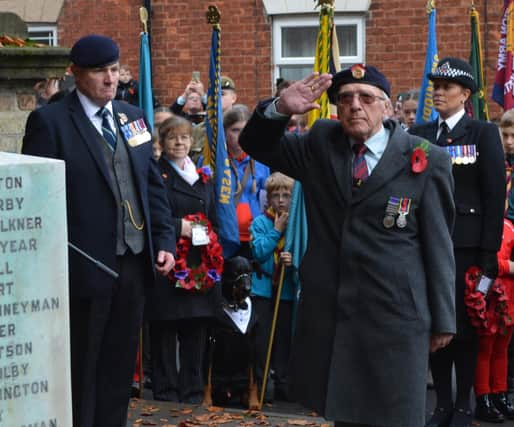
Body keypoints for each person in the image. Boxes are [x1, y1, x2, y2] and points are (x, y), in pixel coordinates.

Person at [239, 64, 456, 427]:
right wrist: (279, 108)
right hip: (337, 315)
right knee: (345, 415)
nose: (355, 105)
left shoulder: (426, 158)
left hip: (396, 315)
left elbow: (438, 244)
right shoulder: (322, 143)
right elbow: (255, 144)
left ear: (386, 107)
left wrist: (443, 319)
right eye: (345, 99)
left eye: (366, 97)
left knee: (395, 416)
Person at [22, 34, 176, 427]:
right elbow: (37, 200)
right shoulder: (50, 121)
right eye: (98, 72)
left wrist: (163, 241)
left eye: (113, 70)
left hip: (133, 265)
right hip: (81, 270)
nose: (110, 80)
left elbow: (151, 186)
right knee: (82, 370)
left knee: (119, 368)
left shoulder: (133, 117)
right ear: (75, 74)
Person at [409, 57, 506, 427]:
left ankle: (464, 403)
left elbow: (493, 195)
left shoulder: (481, 133)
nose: (438, 92)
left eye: (447, 87)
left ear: (465, 94)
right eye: (435, 86)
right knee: (435, 323)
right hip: (426, 246)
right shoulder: (419, 134)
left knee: (465, 328)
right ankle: (443, 403)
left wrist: (487, 255)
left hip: (466, 249)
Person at [146, 115, 219, 404]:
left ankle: (192, 392)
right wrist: (180, 227)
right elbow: (152, 213)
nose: (180, 142)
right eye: (173, 137)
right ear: (162, 143)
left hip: (198, 262)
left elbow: (211, 215)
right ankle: (165, 393)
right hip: (169, 260)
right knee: (165, 328)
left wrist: (208, 236)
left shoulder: (201, 176)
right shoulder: (156, 173)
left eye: (185, 137)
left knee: (195, 329)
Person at [250, 172, 297, 401]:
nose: (280, 200)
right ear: (267, 198)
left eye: (286, 195)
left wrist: (293, 260)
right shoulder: (260, 222)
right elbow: (258, 251)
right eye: (275, 195)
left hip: (285, 290)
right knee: (262, 339)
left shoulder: (297, 225)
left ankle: (283, 382)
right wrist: (276, 230)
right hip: (264, 289)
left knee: (283, 339)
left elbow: (305, 251)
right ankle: (259, 385)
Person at [473, 212, 514, 423]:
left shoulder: (510, 227)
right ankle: (483, 397)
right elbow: (490, 263)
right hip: (488, 299)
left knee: (501, 350)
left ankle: (499, 393)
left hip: (509, 302)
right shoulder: (483, 224)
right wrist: (508, 267)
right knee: (485, 349)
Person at [225, 105, 269, 259]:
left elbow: (273, 195)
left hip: (254, 235)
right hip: (225, 235)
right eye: (235, 130)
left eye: (245, 129)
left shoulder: (261, 160)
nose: (240, 135)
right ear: (224, 132)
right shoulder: (213, 161)